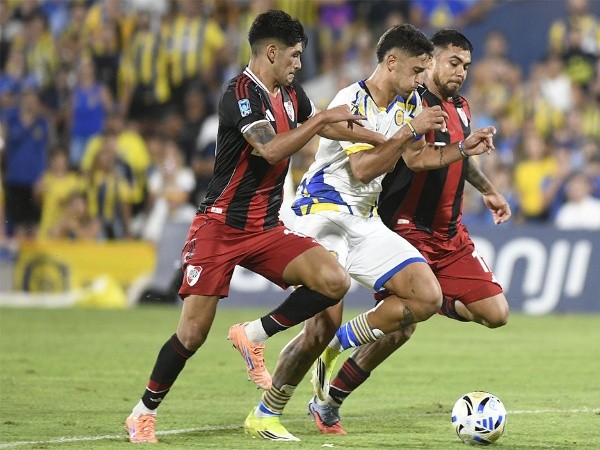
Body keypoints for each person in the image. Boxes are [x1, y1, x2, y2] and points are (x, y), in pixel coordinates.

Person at [233, 24, 497, 441]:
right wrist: (409, 131)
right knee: (319, 327)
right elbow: (362, 169)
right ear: (391, 62)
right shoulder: (351, 100)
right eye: (416, 70)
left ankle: (337, 344)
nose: (421, 80)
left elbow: (415, 159)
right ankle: (266, 412)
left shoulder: (410, 101)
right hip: (321, 215)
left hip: (363, 218)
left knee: (426, 296)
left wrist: (463, 149)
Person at [124, 10, 375, 443]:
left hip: (265, 228)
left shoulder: (292, 95)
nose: (299, 64)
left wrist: (393, 140)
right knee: (192, 333)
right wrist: (320, 120)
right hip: (219, 226)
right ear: (271, 52)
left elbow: (332, 128)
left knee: (334, 281)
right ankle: (143, 412)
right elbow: (271, 150)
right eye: (294, 56)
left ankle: (254, 335)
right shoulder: (239, 94)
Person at [306, 29, 511, 435]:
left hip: (450, 234)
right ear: (430, 62)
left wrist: (488, 189)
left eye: (466, 66)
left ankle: (427, 303)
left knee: (496, 313)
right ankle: (330, 398)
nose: (460, 72)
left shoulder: (461, 107)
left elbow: (459, 155)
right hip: (406, 229)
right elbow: (418, 159)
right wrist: (456, 147)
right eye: (453, 62)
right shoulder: (411, 104)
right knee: (400, 331)